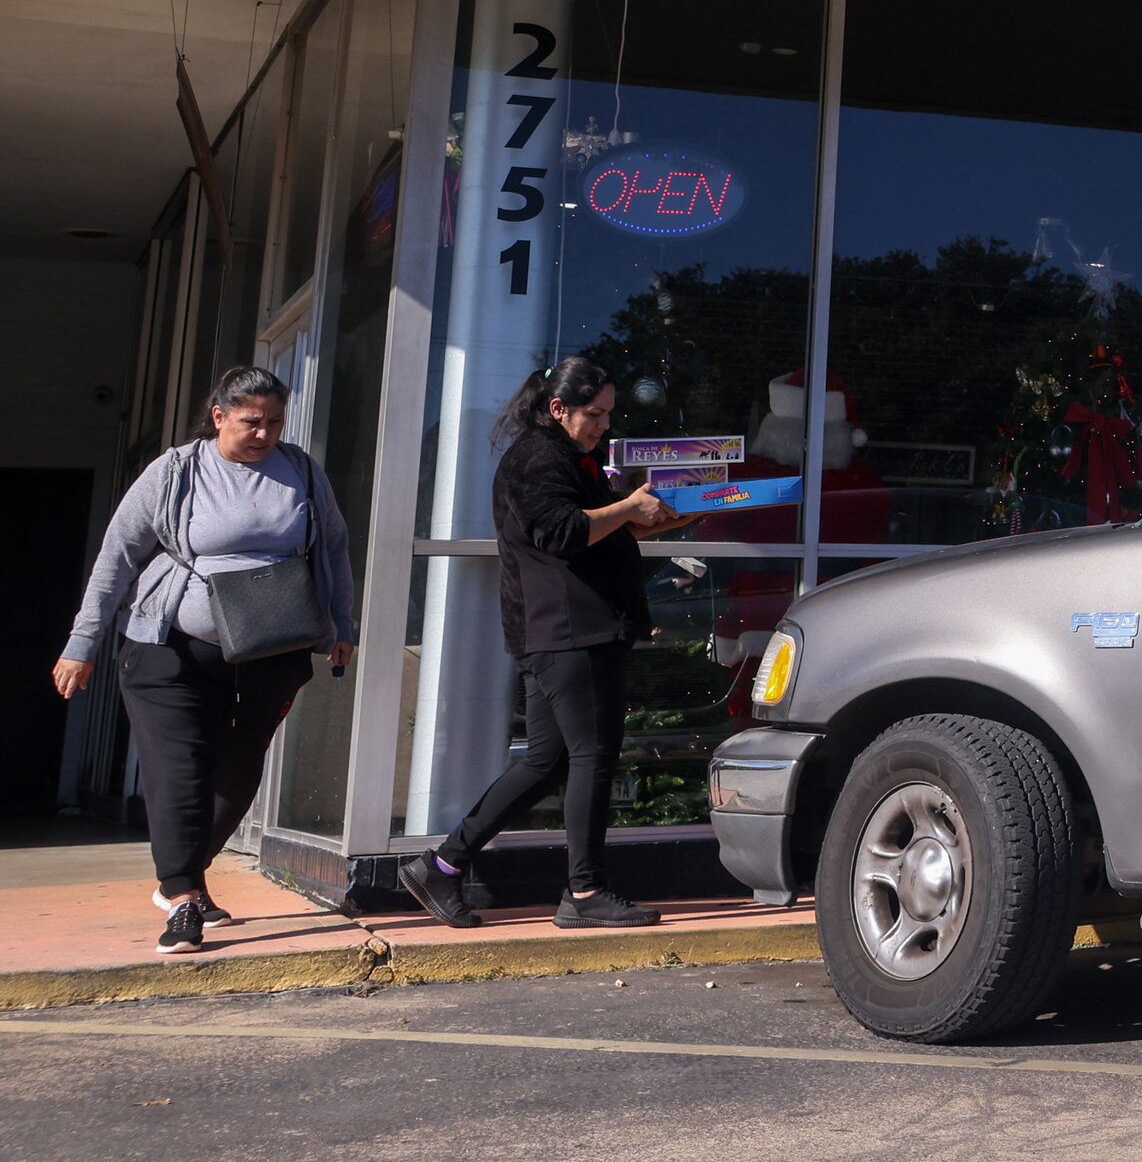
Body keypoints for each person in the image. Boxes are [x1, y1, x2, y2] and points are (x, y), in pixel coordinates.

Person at [54, 366, 357, 955]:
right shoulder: (175, 472)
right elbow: (116, 558)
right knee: (181, 768)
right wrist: (81, 643)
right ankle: (184, 897)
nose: (264, 433)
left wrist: (341, 626)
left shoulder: (300, 472)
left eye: (274, 422)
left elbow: (335, 550)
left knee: (239, 770)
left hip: (273, 648)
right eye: (251, 421)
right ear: (219, 416)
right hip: (170, 649)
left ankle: (184, 874)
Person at [399, 356, 686, 930]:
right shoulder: (538, 458)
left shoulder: (565, 457)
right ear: (559, 409)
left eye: (609, 412)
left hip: (563, 628)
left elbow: (593, 528)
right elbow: (560, 533)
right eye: (594, 413)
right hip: (568, 631)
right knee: (592, 756)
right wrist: (630, 506)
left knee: (546, 761)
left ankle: (443, 865)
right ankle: (585, 892)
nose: (605, 424)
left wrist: (656, 515)